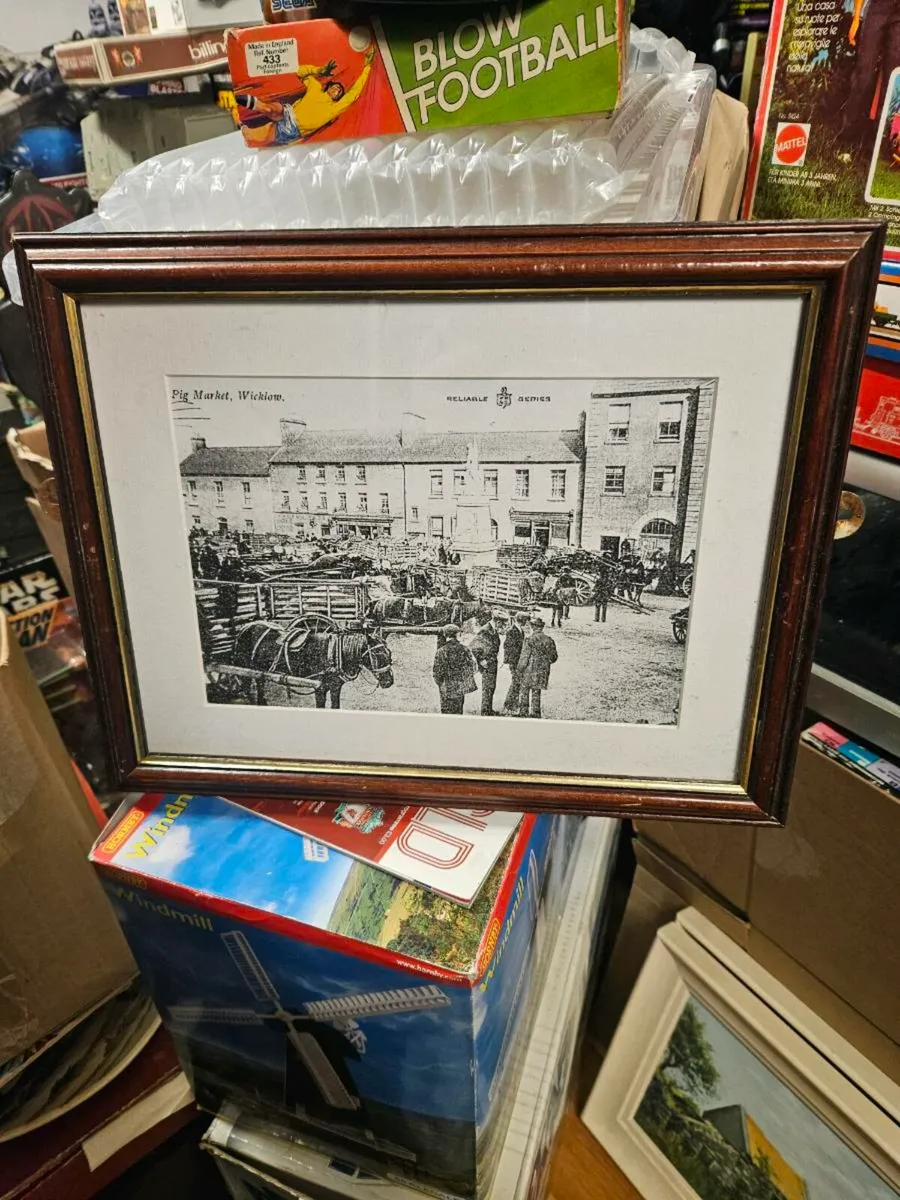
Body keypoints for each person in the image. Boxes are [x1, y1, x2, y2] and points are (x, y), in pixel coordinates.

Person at [237, 49, 376, 148]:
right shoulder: (315, 88)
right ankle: (243, 100)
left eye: (339, 91)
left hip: (293, 130)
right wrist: (319, 71)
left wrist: (367, 67)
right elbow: (299, 72)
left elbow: (355, 93)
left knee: (253, 135)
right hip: (289, 112)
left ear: (339, 97)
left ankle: (244, 130)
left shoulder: (335, 108)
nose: (337, 90)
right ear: (329, 86)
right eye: (335, 87)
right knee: (269, 108)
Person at [517, 616, 558, 719]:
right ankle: (536, 713)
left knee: (525, 691)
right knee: (536, 692)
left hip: (529, 670)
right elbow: (554, 657)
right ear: (542, 628)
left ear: (533, 627)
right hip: (542, 671)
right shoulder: (549, 640)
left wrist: (519, 669)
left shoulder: (529, 640)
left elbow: (524, 657)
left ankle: (523, 712)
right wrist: (544, 663)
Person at [432, 625, 477, 715]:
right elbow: (473, 667)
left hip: (446, 688)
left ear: (445, 635)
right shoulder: (465, 649)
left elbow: (437, 672)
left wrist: (441, 684)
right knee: (458, 712)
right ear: (457, 634)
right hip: (460, 688)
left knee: (446, 713)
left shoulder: (441, 651)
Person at [469, 614, 501, 716]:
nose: (502, 626)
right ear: (497, 621)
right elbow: (474, 646)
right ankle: (485, 711)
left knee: (491, 687)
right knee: (488, 687)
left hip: (492, 662)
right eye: (501, 623)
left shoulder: (492, 629)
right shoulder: (485, 630)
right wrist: (481, 660)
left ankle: (488, 709)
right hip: (487, 664)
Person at [502, 610, 530, 714]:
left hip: (518, 661)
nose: (526, 623)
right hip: (515, 662)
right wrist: (513, 661)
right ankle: (509, 704)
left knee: (516, 682)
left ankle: (512, 702)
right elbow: (508, 647)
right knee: (516, 682)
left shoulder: (520, 630)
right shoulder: (512, 631)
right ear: (522, 621)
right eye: (526, 621)